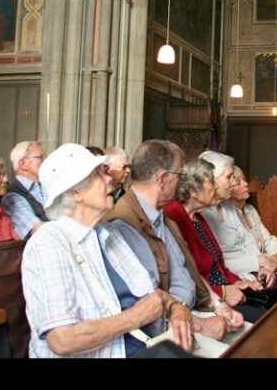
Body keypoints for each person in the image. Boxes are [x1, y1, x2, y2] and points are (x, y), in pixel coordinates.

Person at [21, 143, 192, 358]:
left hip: (149, 347)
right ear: (75, 192)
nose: (109, 179)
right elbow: (63, 339)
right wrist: (136, 317)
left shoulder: (109, 234)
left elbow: (151, 295)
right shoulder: (48, 244)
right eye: (99, 174)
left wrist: (177, 308)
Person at [104, 139, 243, 343]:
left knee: (249, 334)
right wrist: (200, 325)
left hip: (193, 312)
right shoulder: (124, 223)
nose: (182, 182)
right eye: (180, 175)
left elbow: (186, 269)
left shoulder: (162, 216)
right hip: (168, 331)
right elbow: (146, 304)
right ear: (163, 179)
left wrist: (218, 305)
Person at [164, 158, 265, 323]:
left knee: (271, 307)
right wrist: (223, 292)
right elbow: (186, 274)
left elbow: (218, 265)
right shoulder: (174, 216)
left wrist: (239, 282)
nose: (216, 187)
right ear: (194, 191)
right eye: (212, 182)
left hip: (222, 290)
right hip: (204, 301)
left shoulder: (198, 217)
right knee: (263, 319)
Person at [203, 163, 277, 294]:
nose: (246, 184)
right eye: (238, 182)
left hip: (264, 268)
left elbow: (267, 239)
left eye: (244, 180)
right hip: (249, 273)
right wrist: (264, 264)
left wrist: (275, 257)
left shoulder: (250, 210)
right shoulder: (224, 212)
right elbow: (228, 258)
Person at [1, 140, 49, 239]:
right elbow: (38, 230)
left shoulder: (48, 186)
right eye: (40, 157)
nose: (46, 160)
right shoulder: (11, 196)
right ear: (23, 164)